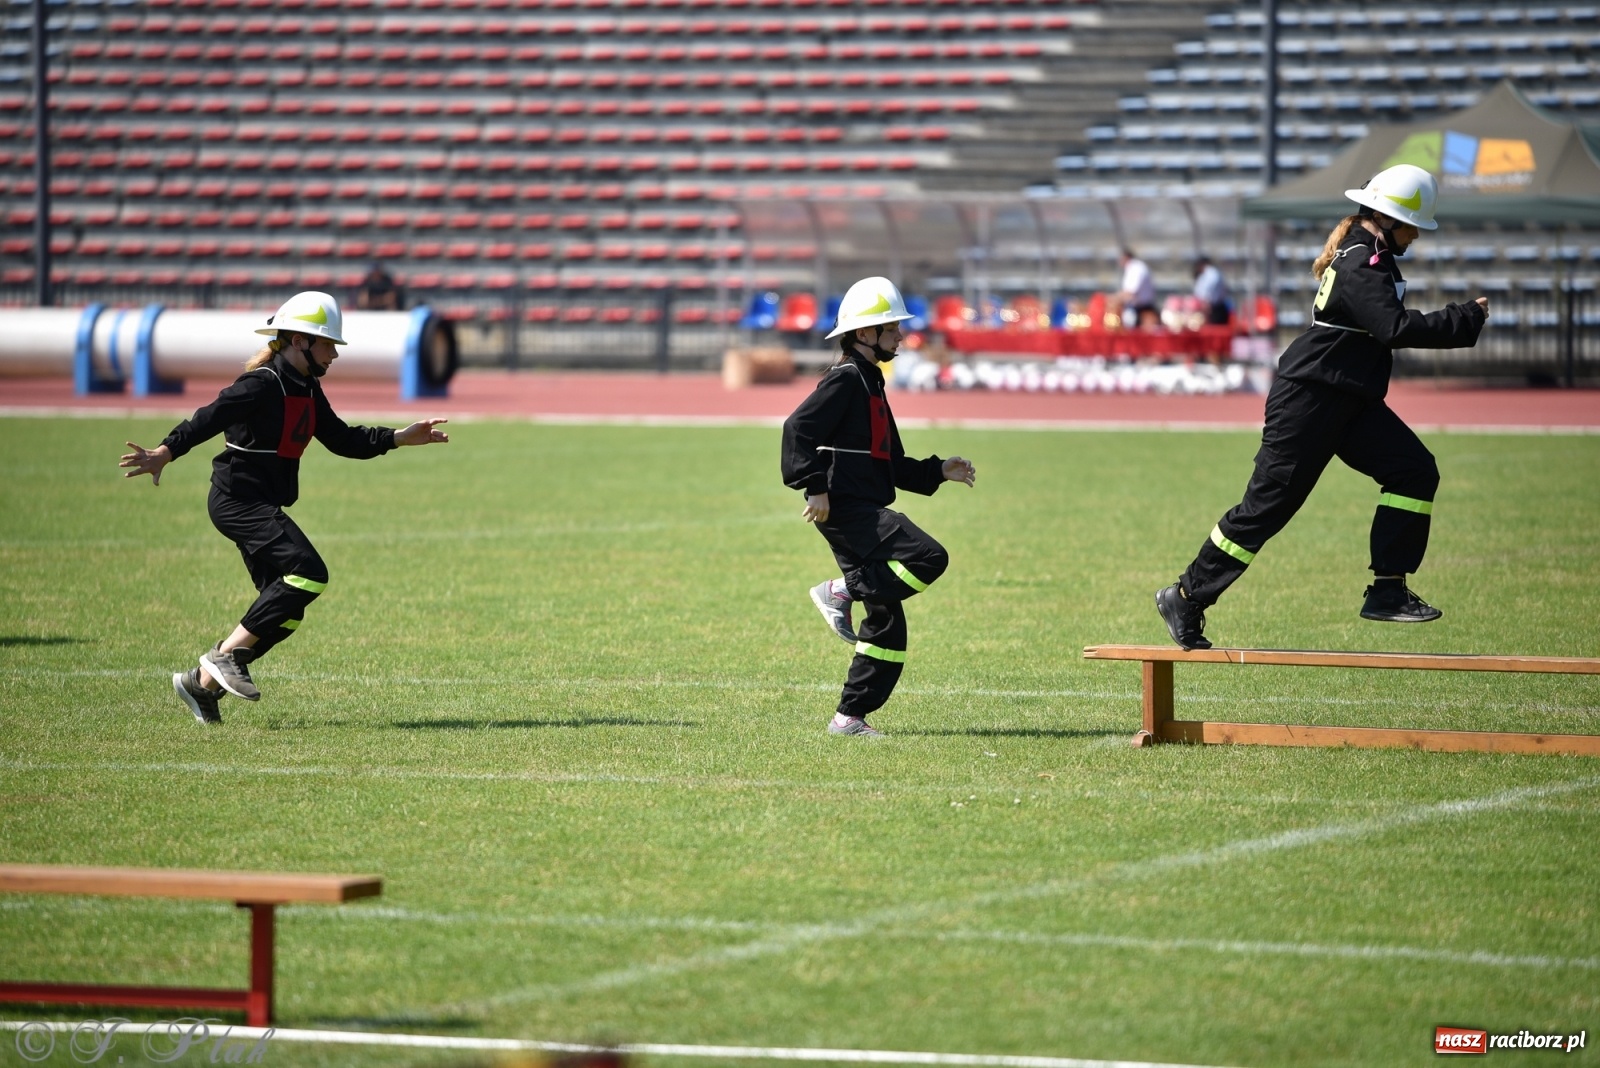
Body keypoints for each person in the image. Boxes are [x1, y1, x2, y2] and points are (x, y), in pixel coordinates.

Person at [1156, 164, 1490, 649]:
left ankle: (1388, 591)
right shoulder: (1362, 261)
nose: (1417, 234)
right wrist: (1463, 319)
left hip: (1348, 398)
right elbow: (1392, 328)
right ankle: (1186, 596)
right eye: (1414, 224)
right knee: (1265, 509)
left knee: (1415, 471)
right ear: (1389, 218)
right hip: (1310, 400)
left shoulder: (1368, 253)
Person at [118, 291, 450, 723]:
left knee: (287, 613)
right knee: (310, 572)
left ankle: (200, 685)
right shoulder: (260, 384)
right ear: (299, 341)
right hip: (237, 501)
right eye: (328, 344)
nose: (334, 354)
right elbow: (209, 416)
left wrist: (399, 438)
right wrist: (166, 451)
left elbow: (342, 440)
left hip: (260, 503)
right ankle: (224, 656)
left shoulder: (308, 388)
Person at [781, 277, 976, 737]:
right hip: (844, 507)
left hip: (861, 500)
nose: (901, 337)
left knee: (887, 625)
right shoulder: (847, 379)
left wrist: (937, 471)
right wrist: (814, 487)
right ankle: (844, 589)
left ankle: (848, 718)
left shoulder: (871, 382)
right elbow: (797, 430)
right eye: (892, 328)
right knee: (930, 556)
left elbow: (887, 461)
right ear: (864, 334)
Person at [1116, 248, 1158, 328]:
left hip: (1143, 310)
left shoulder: (1136, 268)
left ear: (1126, 258)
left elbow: (1130, 292)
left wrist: (1114, 299)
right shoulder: (1131, 268)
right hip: (1137, 308)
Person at [1192, 255, 1232, 326]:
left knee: (1215, 328)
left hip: (1215, 307)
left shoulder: (1211, 272)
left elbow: (1210, 287)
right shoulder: (1205, 275)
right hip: (1209, 307)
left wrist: (1206, 300)